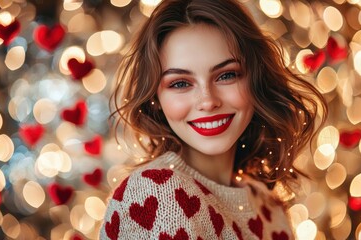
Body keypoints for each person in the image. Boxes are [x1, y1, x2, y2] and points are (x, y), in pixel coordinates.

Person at [99, 0, 327, 239]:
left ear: (256, 80)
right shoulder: (155, 191)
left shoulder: (270, 206)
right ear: (156, 97)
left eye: (227, 75)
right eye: (180, 83)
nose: (207, 101)